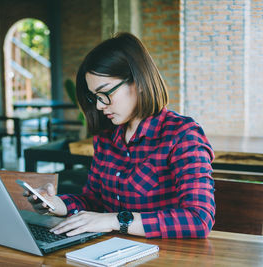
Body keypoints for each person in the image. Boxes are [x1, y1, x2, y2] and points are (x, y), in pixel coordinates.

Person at [24, 32, 215, 239]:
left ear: (139, 82)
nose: (99, 105)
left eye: (105, 93)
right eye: (95, 97)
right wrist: (55, 204)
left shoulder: (182, 135)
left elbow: (198, 219)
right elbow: (94, 201)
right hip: (109, 251)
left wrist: (115, 220)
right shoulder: (107, 137)